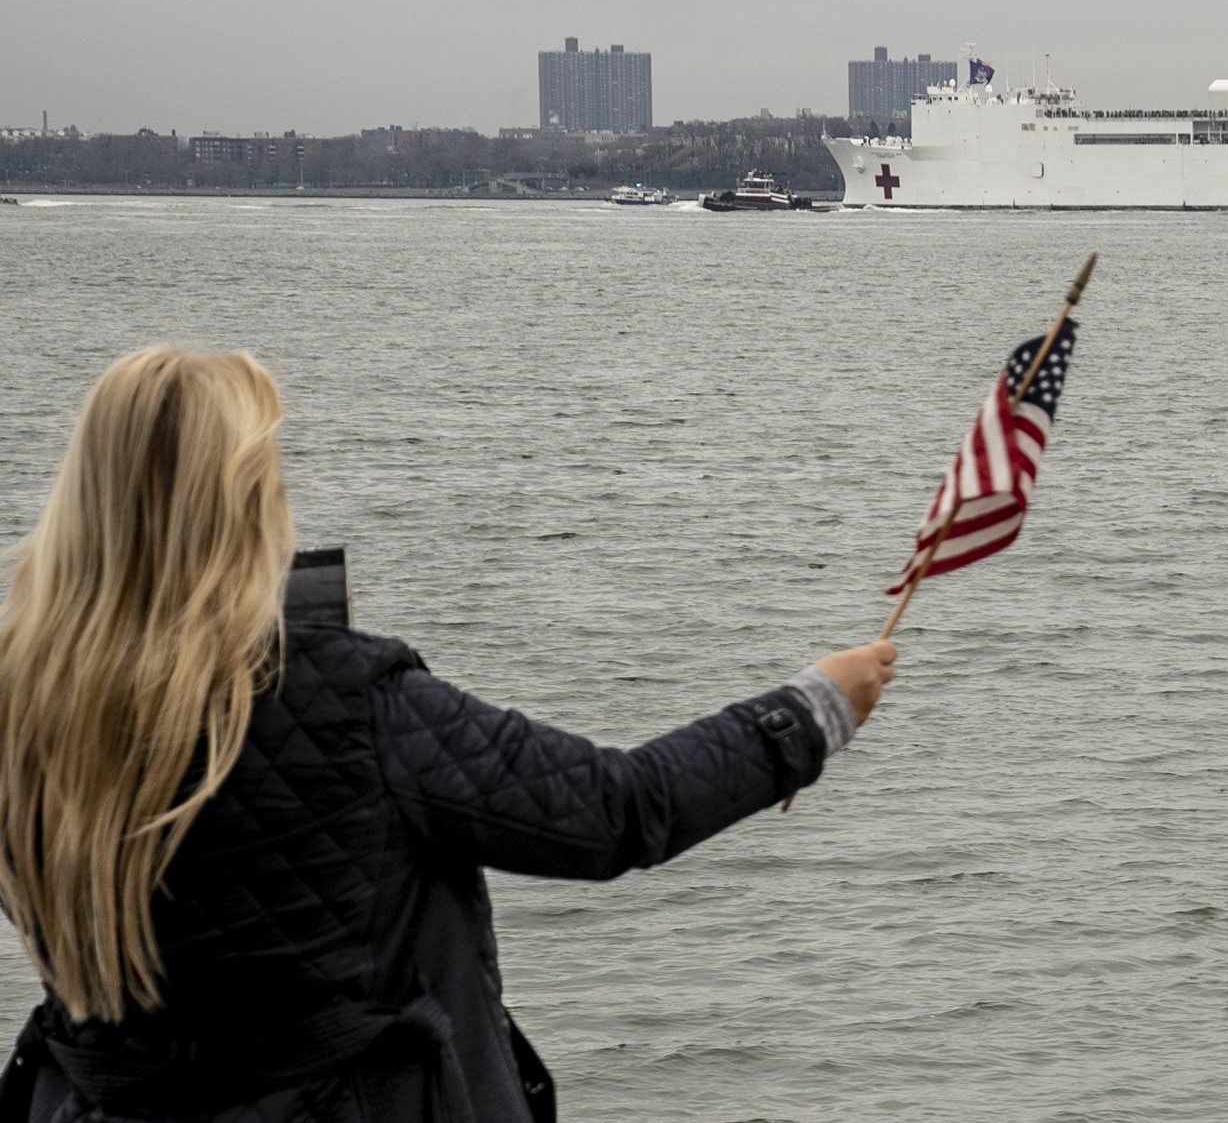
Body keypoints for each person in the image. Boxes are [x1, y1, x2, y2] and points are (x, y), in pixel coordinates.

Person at [0, 346, 895, 1123]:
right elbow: (615, 809)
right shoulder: (350, 700)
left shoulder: (23, 707)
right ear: (241, 505)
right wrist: (810, 712)